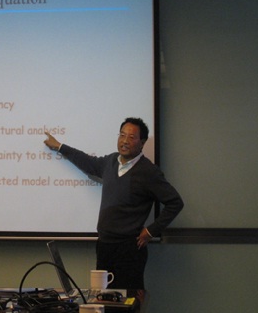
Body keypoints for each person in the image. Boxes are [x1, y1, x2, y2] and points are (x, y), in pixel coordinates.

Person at [43, 117, 183, 290]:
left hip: (129, 249)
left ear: (142, 143)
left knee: (128, 300)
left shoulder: (148, 172)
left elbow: (175, 202)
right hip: (104, 246)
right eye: (122, 135)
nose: (125, 141)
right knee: (104, 297)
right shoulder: (110, 161)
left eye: (131, 137)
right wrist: (60, 146)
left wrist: (151, 231)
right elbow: (87, 161)